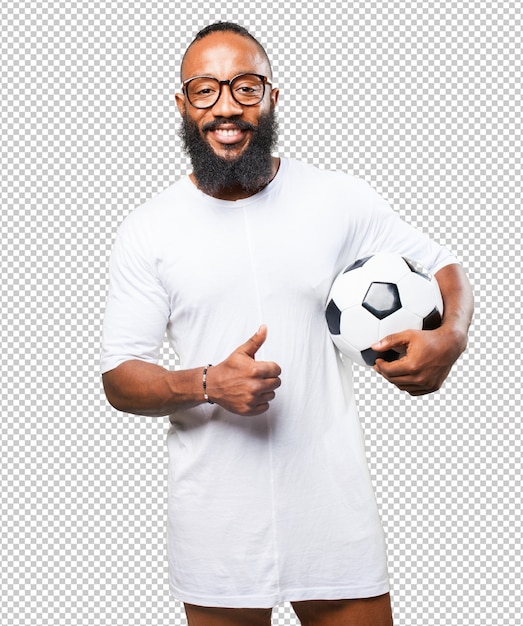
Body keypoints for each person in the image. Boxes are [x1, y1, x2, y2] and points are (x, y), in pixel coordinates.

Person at [101, 22, 474, 626]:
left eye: (246, 87)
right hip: (217, 521)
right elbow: (119, 376)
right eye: (205, 90)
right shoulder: (149, 229)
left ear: (273, 96)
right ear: (181, 104)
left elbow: (444, 267)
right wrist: (205, 384)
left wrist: (450, 337)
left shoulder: (337, 199)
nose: (227, 106)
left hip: (331, 507)